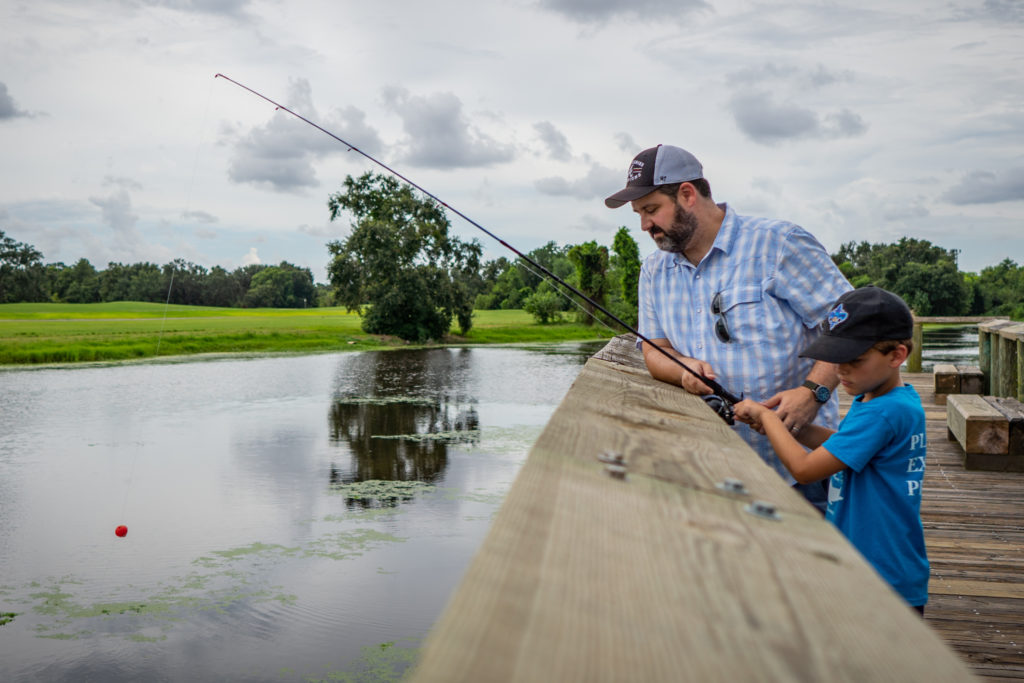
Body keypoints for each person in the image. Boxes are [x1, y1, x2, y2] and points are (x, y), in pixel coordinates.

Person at [605, 144, 852, 511]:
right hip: (709, 471)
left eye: (651, 209)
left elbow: (849, 324)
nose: (644, 225)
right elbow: (656, 352)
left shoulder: (779, 243)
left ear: (687, 194)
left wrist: (812, 393)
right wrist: (683, 371)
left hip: (801, 470)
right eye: (639, 214)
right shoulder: (654, 271)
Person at [732, 286, 929, 613]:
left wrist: (768, 419)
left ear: (896, 355)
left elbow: (805, 470)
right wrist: (793, 428)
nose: (840, 371)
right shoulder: (883, 399)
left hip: (881, 575)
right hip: (878, 567)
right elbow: (844, 447)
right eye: (836, 358)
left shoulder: (883, 412)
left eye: (854, 360)